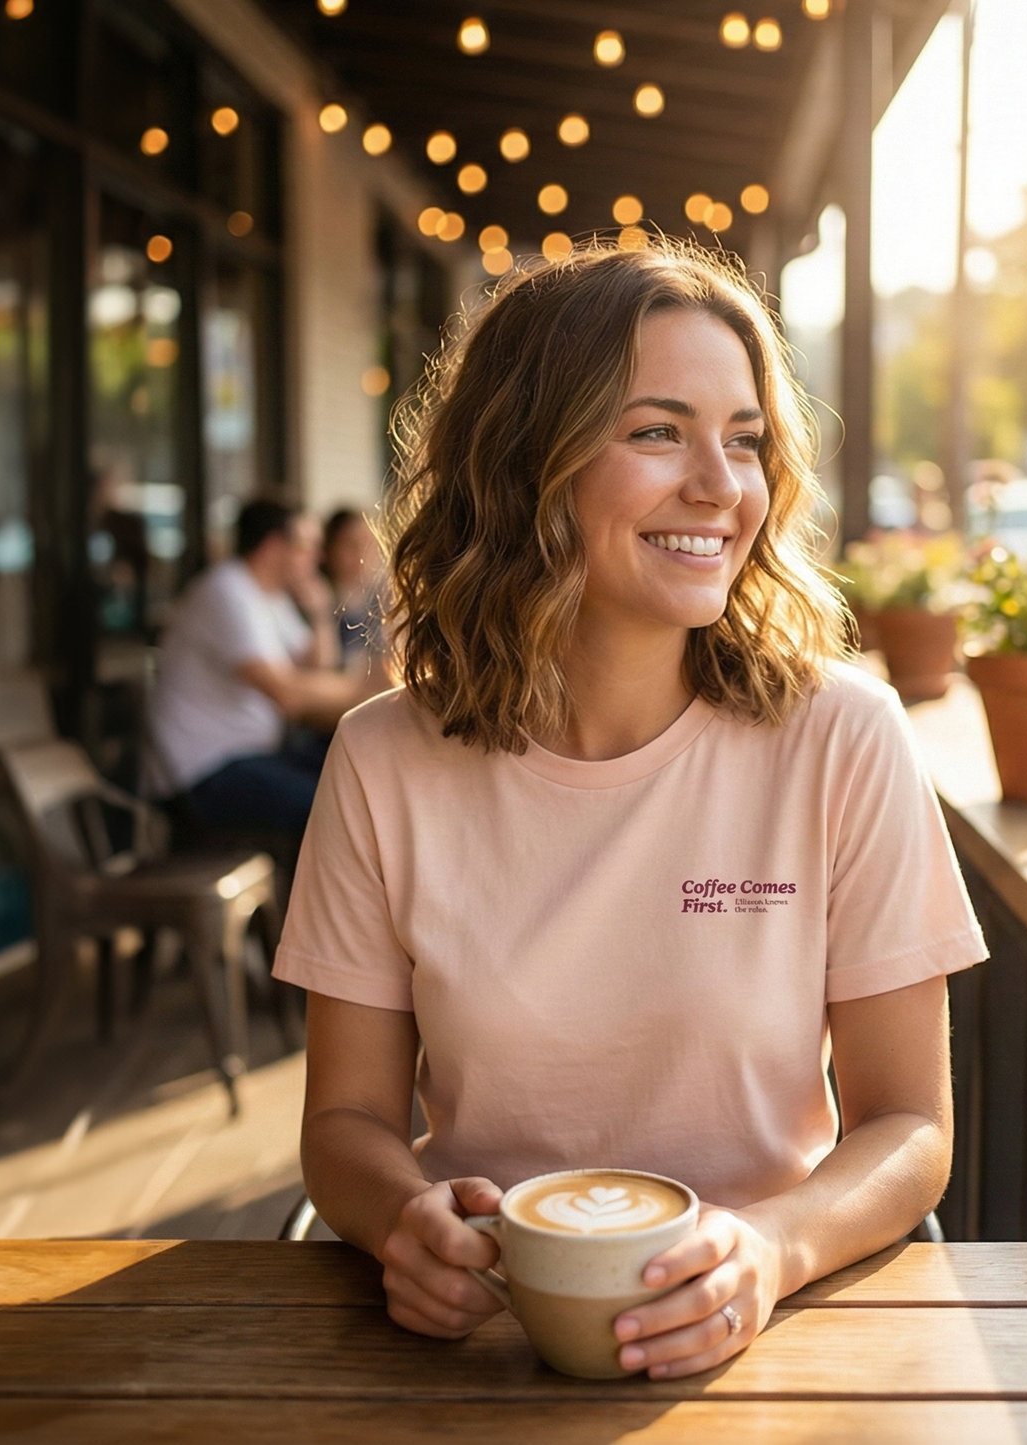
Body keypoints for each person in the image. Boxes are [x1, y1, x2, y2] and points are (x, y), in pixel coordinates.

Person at [273, 243, 986, 1380]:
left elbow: (909, 1125)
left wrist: (771, 1246)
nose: (719, 484)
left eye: (744, 439)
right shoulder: (383, 759)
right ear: (525, 462)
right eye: (657, 430)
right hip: (475, 1352)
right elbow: (343, 1124)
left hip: (768, 1335)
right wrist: (400, 1216)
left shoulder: (841, 737)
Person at [146, 499, 369, 839]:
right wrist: (368, 692)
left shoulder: (268, 595)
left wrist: (322, 613)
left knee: (350, 774)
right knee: (334, 808)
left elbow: (317, 667)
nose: (317, 558)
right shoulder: (227, 590)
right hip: (204, 772)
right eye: (306, 546)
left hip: (251, 755)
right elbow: (289, 695)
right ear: (273, 547)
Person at [321, 507, 383, 670]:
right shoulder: (317, 597)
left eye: (368, 544)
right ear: (329, 548)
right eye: (351, 545)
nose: (362, 554)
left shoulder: (382, 601)